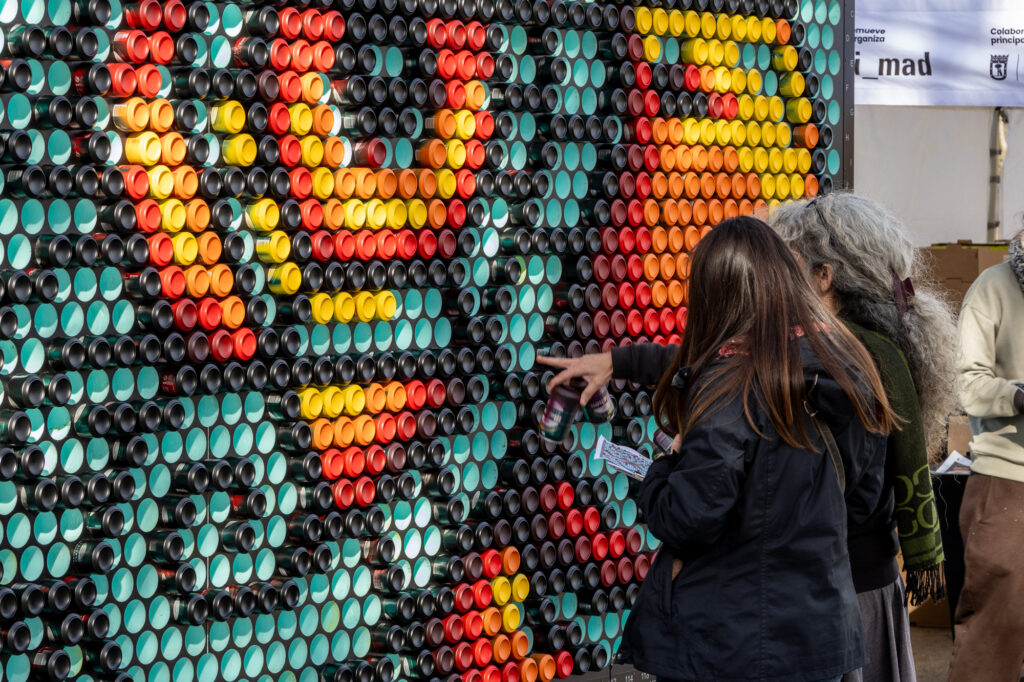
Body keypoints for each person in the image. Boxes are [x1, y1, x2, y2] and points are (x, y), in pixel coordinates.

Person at [544, 196, 955, 682]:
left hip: (746, 635)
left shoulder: (737, 387)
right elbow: (861, 494)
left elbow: (687, 516)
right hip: (821, 625)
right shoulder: (847, 364)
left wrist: (667, 465)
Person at [773, 194, 954, 682]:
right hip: (869, 580)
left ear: (824, 276)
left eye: (789, 262)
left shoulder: (834, 361)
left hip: (835, 588)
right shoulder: (879, 352)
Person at [948, 230, 1024, 682]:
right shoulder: (993, 287)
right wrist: (1017, 395)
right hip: (1008, 481)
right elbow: (965, 382)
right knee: (992, 644)